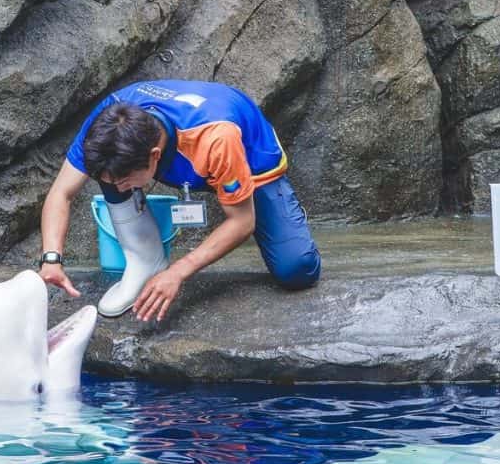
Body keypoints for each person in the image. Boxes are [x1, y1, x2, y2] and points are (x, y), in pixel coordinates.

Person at [38, 80, 321, 320]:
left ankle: (286, 214)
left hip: (247, 159)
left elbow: (242, 221)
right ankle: (144, 260)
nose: (118, 187)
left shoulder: (217, 139)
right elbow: (61, 193)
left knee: (297, 270)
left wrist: (178, 272)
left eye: (124, 181)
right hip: (187, 154)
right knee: (112, 171)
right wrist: (52, 259)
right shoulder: (110, 119)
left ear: (155, 158)